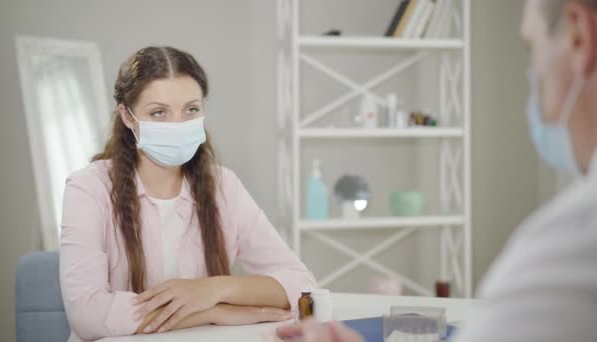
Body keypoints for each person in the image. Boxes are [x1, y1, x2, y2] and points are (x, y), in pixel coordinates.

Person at [275, 0, 597, 341]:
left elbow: (297, 280)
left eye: (531, 48)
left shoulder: (577, 237)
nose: (533, 75)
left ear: (578, 38)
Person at [59, 46, 316, 342]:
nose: (178, 125)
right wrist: (208, 312)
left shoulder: (223, 186)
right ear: (127, 117)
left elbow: (302, 285)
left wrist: (213, 290)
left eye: (191, 110)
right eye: (159, 112)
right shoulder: (88, 188)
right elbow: (87, 316)